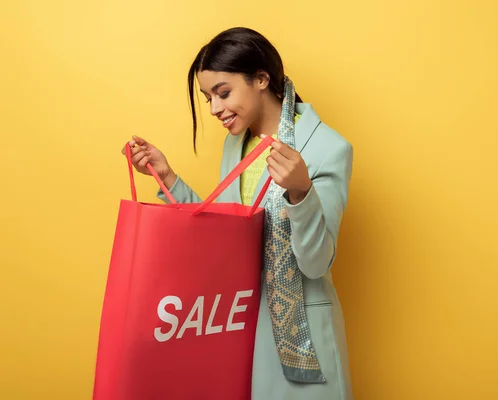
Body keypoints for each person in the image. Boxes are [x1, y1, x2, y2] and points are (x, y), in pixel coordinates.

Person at [123, 27, 354, 399]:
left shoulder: (328, 148)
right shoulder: (236, 144)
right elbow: (224, 233)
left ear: (262, 79)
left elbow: (316, 263)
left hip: (300, 335)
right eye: (208, 97)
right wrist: (167, 178)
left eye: (224, 93)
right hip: (236, 326)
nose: (214, 109)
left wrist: (301, 191)